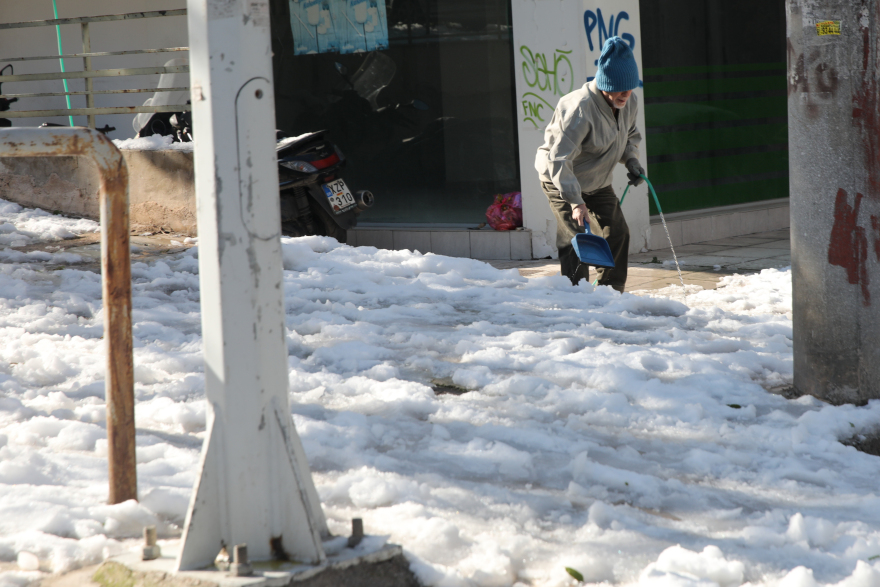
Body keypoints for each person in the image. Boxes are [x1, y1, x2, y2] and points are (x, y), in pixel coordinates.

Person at [535, 36, 645, 293]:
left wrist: (631, 160)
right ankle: (577, 294)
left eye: (629, 87)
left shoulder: (629, 102)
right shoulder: (579, 109)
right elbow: (559, 159)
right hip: (560, 178)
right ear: (606, 83)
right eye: (619, 88)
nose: (626, 94)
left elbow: (630, 136)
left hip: (597, 181)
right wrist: (575, 202)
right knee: (575, 237)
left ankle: (610, 292)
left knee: (617, 232)